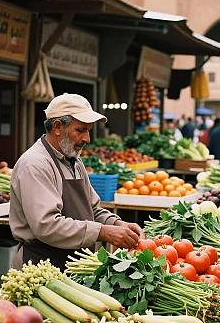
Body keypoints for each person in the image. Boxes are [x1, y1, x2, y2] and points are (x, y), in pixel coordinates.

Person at [10, 93, 142, 270]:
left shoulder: (73, 160)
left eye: (88, 130)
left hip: (74, 264)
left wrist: (116, 223)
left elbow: (92, 209)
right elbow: (47, 225)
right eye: (80, 130)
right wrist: (103, 232)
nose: (87, 139)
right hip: (41, 266)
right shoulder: (35, 164)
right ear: (57, 127)